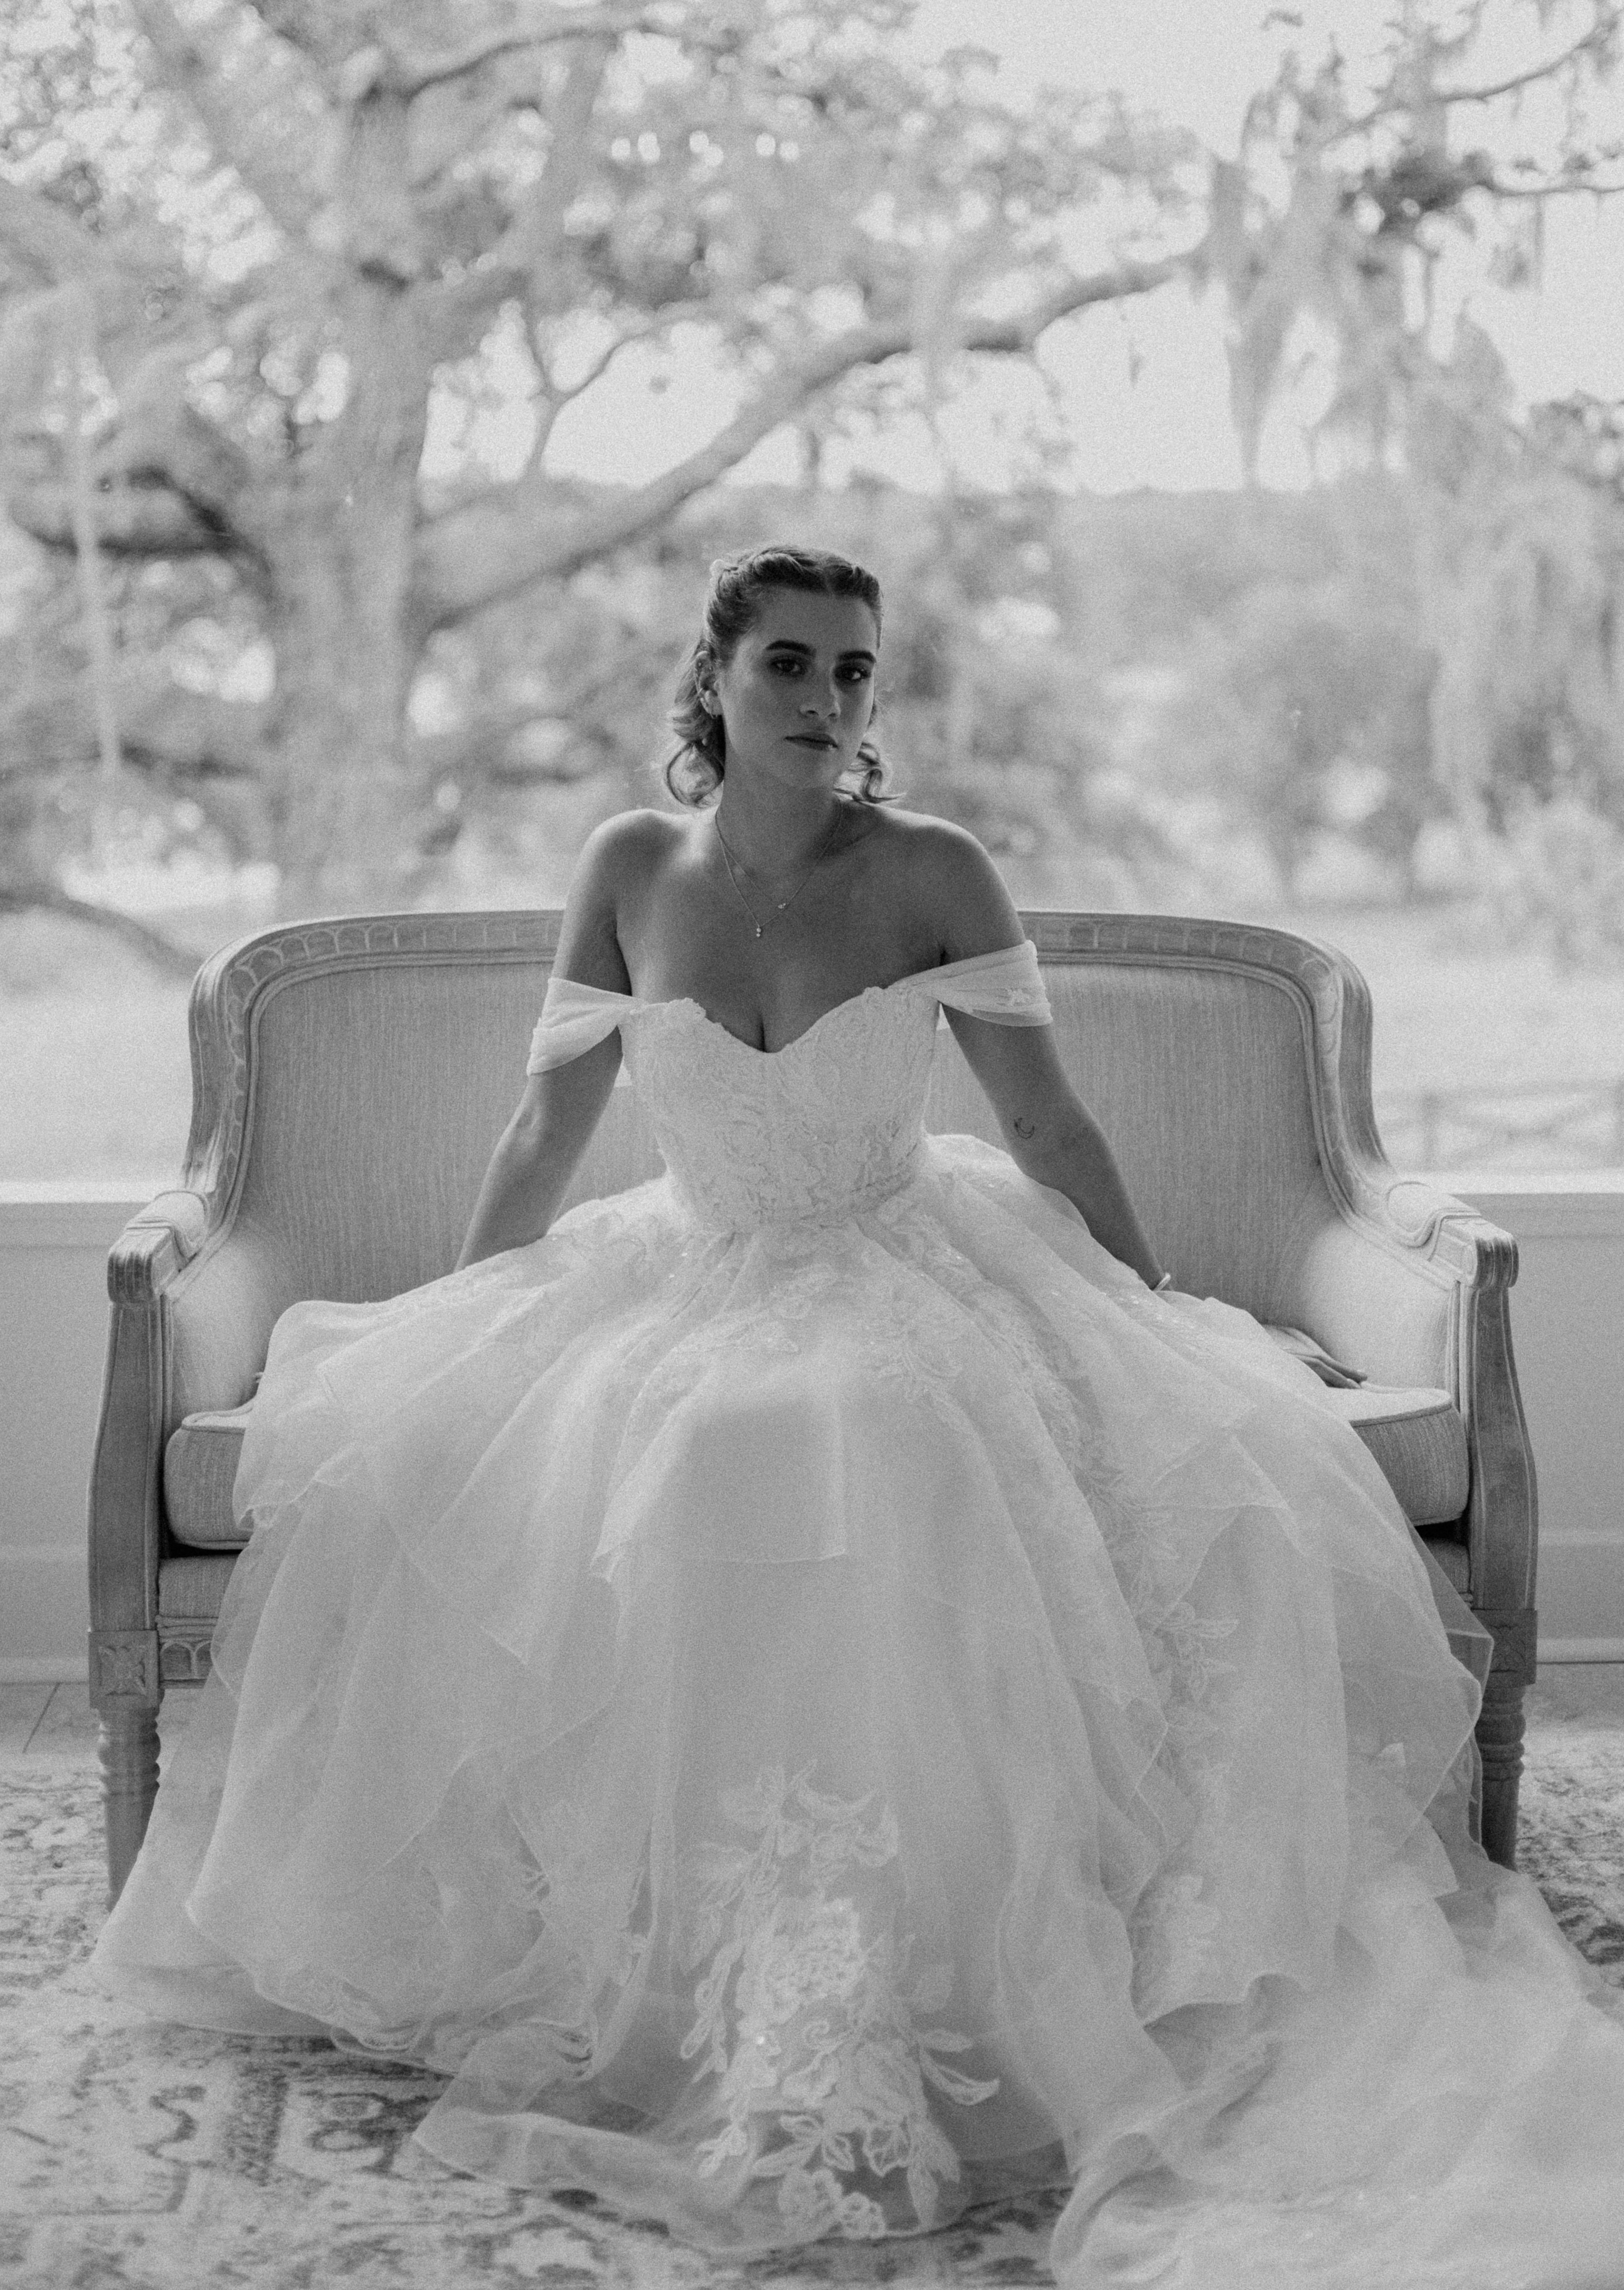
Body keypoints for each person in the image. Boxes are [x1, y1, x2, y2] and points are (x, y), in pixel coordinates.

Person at [94, 546, 1624, 2282]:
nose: (825, 701)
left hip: (903, 1257)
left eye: (853, 671)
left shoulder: (933, 871)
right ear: (714, 678)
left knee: (849, 1429)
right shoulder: (628, 866)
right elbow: (544, 1127)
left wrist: (1145, 1301)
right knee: (680, 1436)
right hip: (688, 1264)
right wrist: (460, 1317)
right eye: (790, 665)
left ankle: (911, 1958)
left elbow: (1046, 1126)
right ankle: (685, 1952)